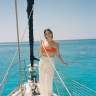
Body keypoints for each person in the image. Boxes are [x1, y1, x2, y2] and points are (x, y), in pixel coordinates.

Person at [38, 28, 68, 96]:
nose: (48, 35)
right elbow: (39, 53)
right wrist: (40, 45)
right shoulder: (43, 43)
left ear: (51, 34)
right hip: (43, 60)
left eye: (49, 33)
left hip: (51, 61)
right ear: (45, 36)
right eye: (46, 34)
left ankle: (49, 94)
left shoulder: (56, 43)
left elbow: (58, 55)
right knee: (42, 79)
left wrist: (63, 62)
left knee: (49, 79)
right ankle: (43, 94)